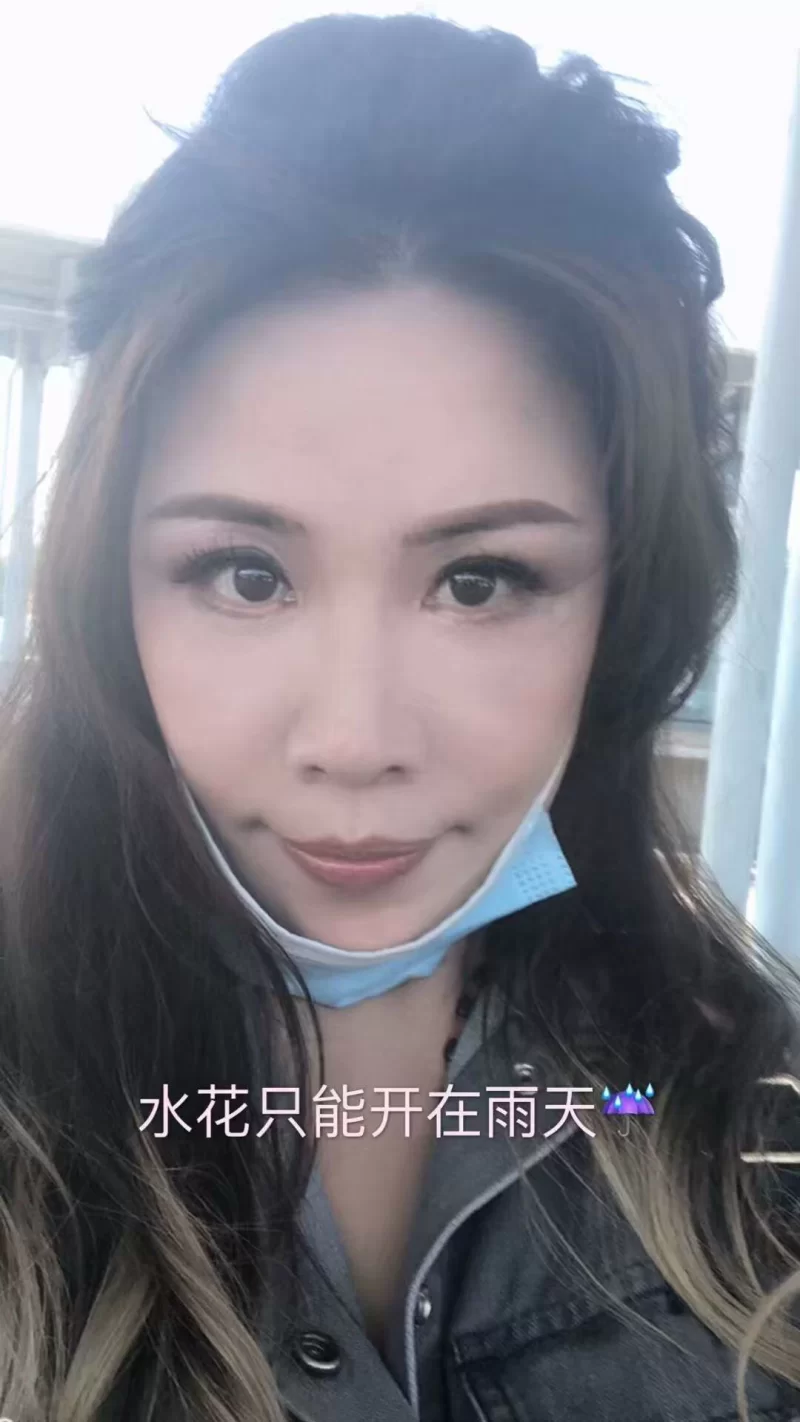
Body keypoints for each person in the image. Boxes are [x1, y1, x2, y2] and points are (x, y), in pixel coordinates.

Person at [0, 12, 799, 1422]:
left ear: (626, 613)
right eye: (245, 574)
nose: (356, 739)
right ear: (110, 590)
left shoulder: (740, 1111)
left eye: (481, 580)